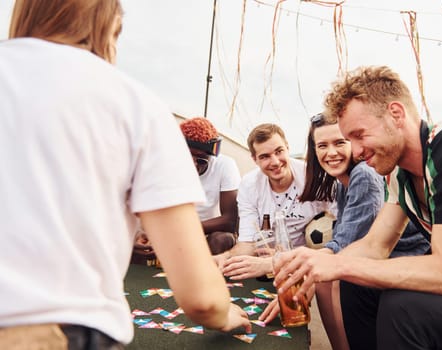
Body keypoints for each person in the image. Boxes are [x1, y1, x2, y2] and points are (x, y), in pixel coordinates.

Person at [0, 1, 250, 348]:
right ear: (109, 26)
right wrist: (226, 315)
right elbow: (201, 297)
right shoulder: (135, 105)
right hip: (53, 331)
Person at [273, 65, 442, 350]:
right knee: (356, 283)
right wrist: (315, 267)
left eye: (359, 135)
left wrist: (338, 263)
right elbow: (374, 246)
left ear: (396, 114)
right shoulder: (398, 173)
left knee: (403, 309)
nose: (355, 151)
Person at [259, 113, 428, 350]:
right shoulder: (342, 182)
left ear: (352, 143)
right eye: (322, 146)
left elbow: (347, 242)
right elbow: (343, 240)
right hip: (380, 254)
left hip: (405, 256)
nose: (331, 152)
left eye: (339, 143)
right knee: (323, 276)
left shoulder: (364, 175)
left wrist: (298, 269)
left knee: (331, 279)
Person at [215, 123, 333, 280]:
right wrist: (225, 257)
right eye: (265, 156)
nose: (275, 162)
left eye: (279, 151)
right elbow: (247, 242)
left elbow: (339, 234)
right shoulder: (249, 185)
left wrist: (281, 258)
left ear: (287, 148)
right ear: (254, 159)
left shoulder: (314, 179)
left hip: (306, 264)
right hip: (262, 265)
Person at [134, 117, 240, 255]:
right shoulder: (164, 164)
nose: (194, 166)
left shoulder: (225, 165)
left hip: (206, 233)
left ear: (211, 156)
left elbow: (230, 221)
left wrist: (182, 230)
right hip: (171, 231)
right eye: (188, 158)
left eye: (201, 160)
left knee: (221, 239)